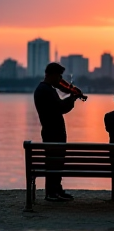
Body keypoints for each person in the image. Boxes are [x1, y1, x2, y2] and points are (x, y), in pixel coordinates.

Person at [34, 62, 79, 202]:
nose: (60, 79)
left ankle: (55, 189)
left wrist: (71, 93)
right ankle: (52, 192)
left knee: (55, 162)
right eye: (59, 76)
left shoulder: (43, 89)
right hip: (53, 132)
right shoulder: (47, 90)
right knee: (54, 162)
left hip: (50, 131)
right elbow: (61, 108)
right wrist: (72, 98)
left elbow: (59, 100)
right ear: (51, 75)